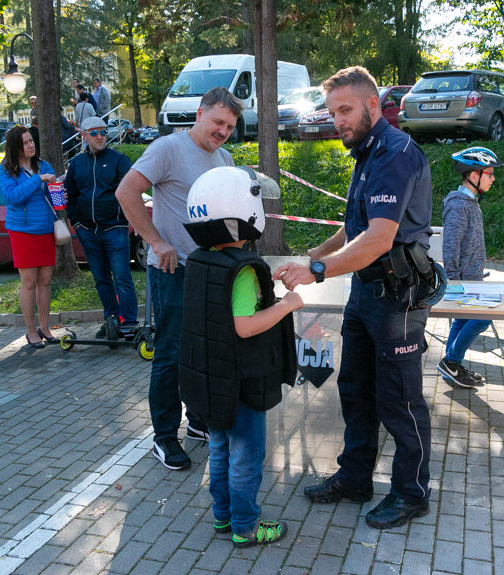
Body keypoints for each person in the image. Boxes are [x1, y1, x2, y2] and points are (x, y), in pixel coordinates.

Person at [273, 66, 435, 530]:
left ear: (370, 105)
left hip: (397, 300)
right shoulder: (366, 153)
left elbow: (379, 239)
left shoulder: (396, 153)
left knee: (400, 401)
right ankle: (356, 478)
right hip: (365, 294)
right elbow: (356, 228)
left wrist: (317, 270)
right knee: (356, 391)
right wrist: (312, 255)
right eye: (331, 112)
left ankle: (411, 492)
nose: (337, 120)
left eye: (344, 110)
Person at [116, 87, 242, 471]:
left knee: (204, 351)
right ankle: (165, 437)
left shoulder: (224, 157)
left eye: (230, 126)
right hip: (172, 271)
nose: (223, 131)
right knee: (170, 355)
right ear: (200, 113)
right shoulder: (168, 148)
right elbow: (126, 192)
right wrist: (155, 240)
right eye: (218, 122)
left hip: (210, 271)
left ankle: (198, 423)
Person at [179, 166, 302, 548]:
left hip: (212, 380)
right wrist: (287, 305)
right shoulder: (245, 271)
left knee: (219, 448)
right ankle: (246, 526)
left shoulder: (202, 258)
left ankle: (222, 516)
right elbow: (245, 326)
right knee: (246, 456)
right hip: (243, 382)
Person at [65, 116, 138, 338]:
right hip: (87, 231)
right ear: (83, 135)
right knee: (101, 279)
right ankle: (112, 320)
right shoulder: (77, 163)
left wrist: (130, 219)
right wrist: (76, 223)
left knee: (122, 277)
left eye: (103, 132)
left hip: (115, 229)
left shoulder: (119, 159)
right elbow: (71, 195)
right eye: (94, 132)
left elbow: (131, 190)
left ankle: (129, 323)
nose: (100, 136)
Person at [437, 147, 503, 388]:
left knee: (462, 320)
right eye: (490, 173)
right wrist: (454, 280)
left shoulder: (470, 202)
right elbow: (450, 245)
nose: (493, 178)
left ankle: (451, 370)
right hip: (463, 280)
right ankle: (451, 361)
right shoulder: (459, 205)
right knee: (482, 318)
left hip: (471, 277)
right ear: (474, 175)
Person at [0, 125, 59, 349]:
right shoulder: (5, 170)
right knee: (29, 282)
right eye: (25, 143)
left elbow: (53, 197)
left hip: (45, 230)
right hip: (22, 232)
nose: (30, 145)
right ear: (15, 147)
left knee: (45, 281)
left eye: (31, 141)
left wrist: (60, 195)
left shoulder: (43, 165)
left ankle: (45, 327)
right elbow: (13, 197)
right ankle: (31, 331)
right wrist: (38, 180)